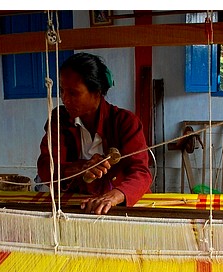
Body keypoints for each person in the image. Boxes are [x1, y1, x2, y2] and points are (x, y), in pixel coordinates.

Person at [37, 53, 152, 215]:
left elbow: (141, 173)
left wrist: (114, 197)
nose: (65, 99)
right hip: (78, 204)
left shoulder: (125, 122)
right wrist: (80, 168)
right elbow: (45, 167)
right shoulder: (59, 120)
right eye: (62, 91)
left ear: (97, 92)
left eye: (73, 93)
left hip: (120, 205)